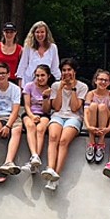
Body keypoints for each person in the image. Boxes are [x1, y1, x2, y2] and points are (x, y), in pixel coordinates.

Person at [40, 58, 88, 191]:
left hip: (74, 117)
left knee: (63, 140)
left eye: (69, 70)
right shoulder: (55, 86)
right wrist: (61, 88)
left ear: (74, 71)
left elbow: (75, 107)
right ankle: (50, 167)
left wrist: (72, 88)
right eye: (64, 70)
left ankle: (56, 174)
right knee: (53, 137)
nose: (66, 73)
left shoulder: (82, 87)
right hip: (58, 115)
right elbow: (56, 107)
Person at [21, 64, 54, 173]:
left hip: (43, 114)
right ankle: (34, 155)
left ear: (48, 76)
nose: (40, 78)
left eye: (42, 75)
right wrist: (31, 116)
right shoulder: (29, 86)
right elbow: (26, 105)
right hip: (30, 113)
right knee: (30, 126)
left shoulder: (51, 89)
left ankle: (34, 160)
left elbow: (46, 110)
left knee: (40, 129)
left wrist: (45, 97)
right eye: (37, 75)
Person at [83, 69, 110, 165]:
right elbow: (86, 112)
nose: (103, 82)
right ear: (95, 80)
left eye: (106, 80)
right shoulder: (91, 94)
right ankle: (91, 142)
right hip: (92, 122)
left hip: (106, 122)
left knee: (102, 106)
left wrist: (109, 127)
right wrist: (88, 127)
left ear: (109, 82)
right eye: (100, 79)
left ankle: (101, 143)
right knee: (93, 105)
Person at [15, 21, 61, 88]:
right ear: (33, 33)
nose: (40, 35)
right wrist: (20, 83)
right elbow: (23, 64)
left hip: (46, 83)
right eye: (37, 32)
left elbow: (55, 67)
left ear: (46, 33)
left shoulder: (53, 47)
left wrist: (58, 80)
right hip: (29, 82)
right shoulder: (28, 46)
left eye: (42, 32)